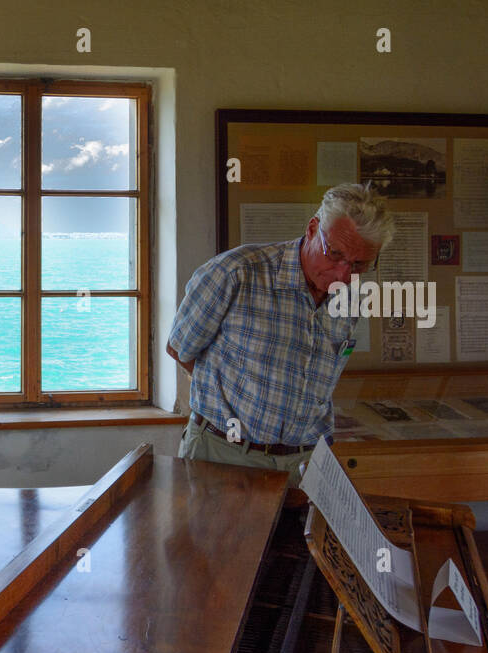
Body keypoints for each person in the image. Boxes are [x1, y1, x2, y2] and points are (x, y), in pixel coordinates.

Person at [167, 183, 394, 486]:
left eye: (359, 264)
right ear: (313, 229)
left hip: (304, 464)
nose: (342, 274)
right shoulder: (236, 272)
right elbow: (180, 348)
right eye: (335, 254)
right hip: (224, 455)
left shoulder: (350, 296)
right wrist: (235, 403)